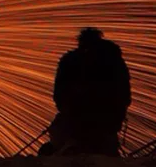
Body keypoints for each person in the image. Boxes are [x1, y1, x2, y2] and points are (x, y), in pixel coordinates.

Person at [40, 27, 131, 156]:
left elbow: (60, 91)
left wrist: (66, 108)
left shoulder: (71, 60)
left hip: (77, 117)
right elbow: (124, 92)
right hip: (107, 117)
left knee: (64, 141)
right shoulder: (114, 60)